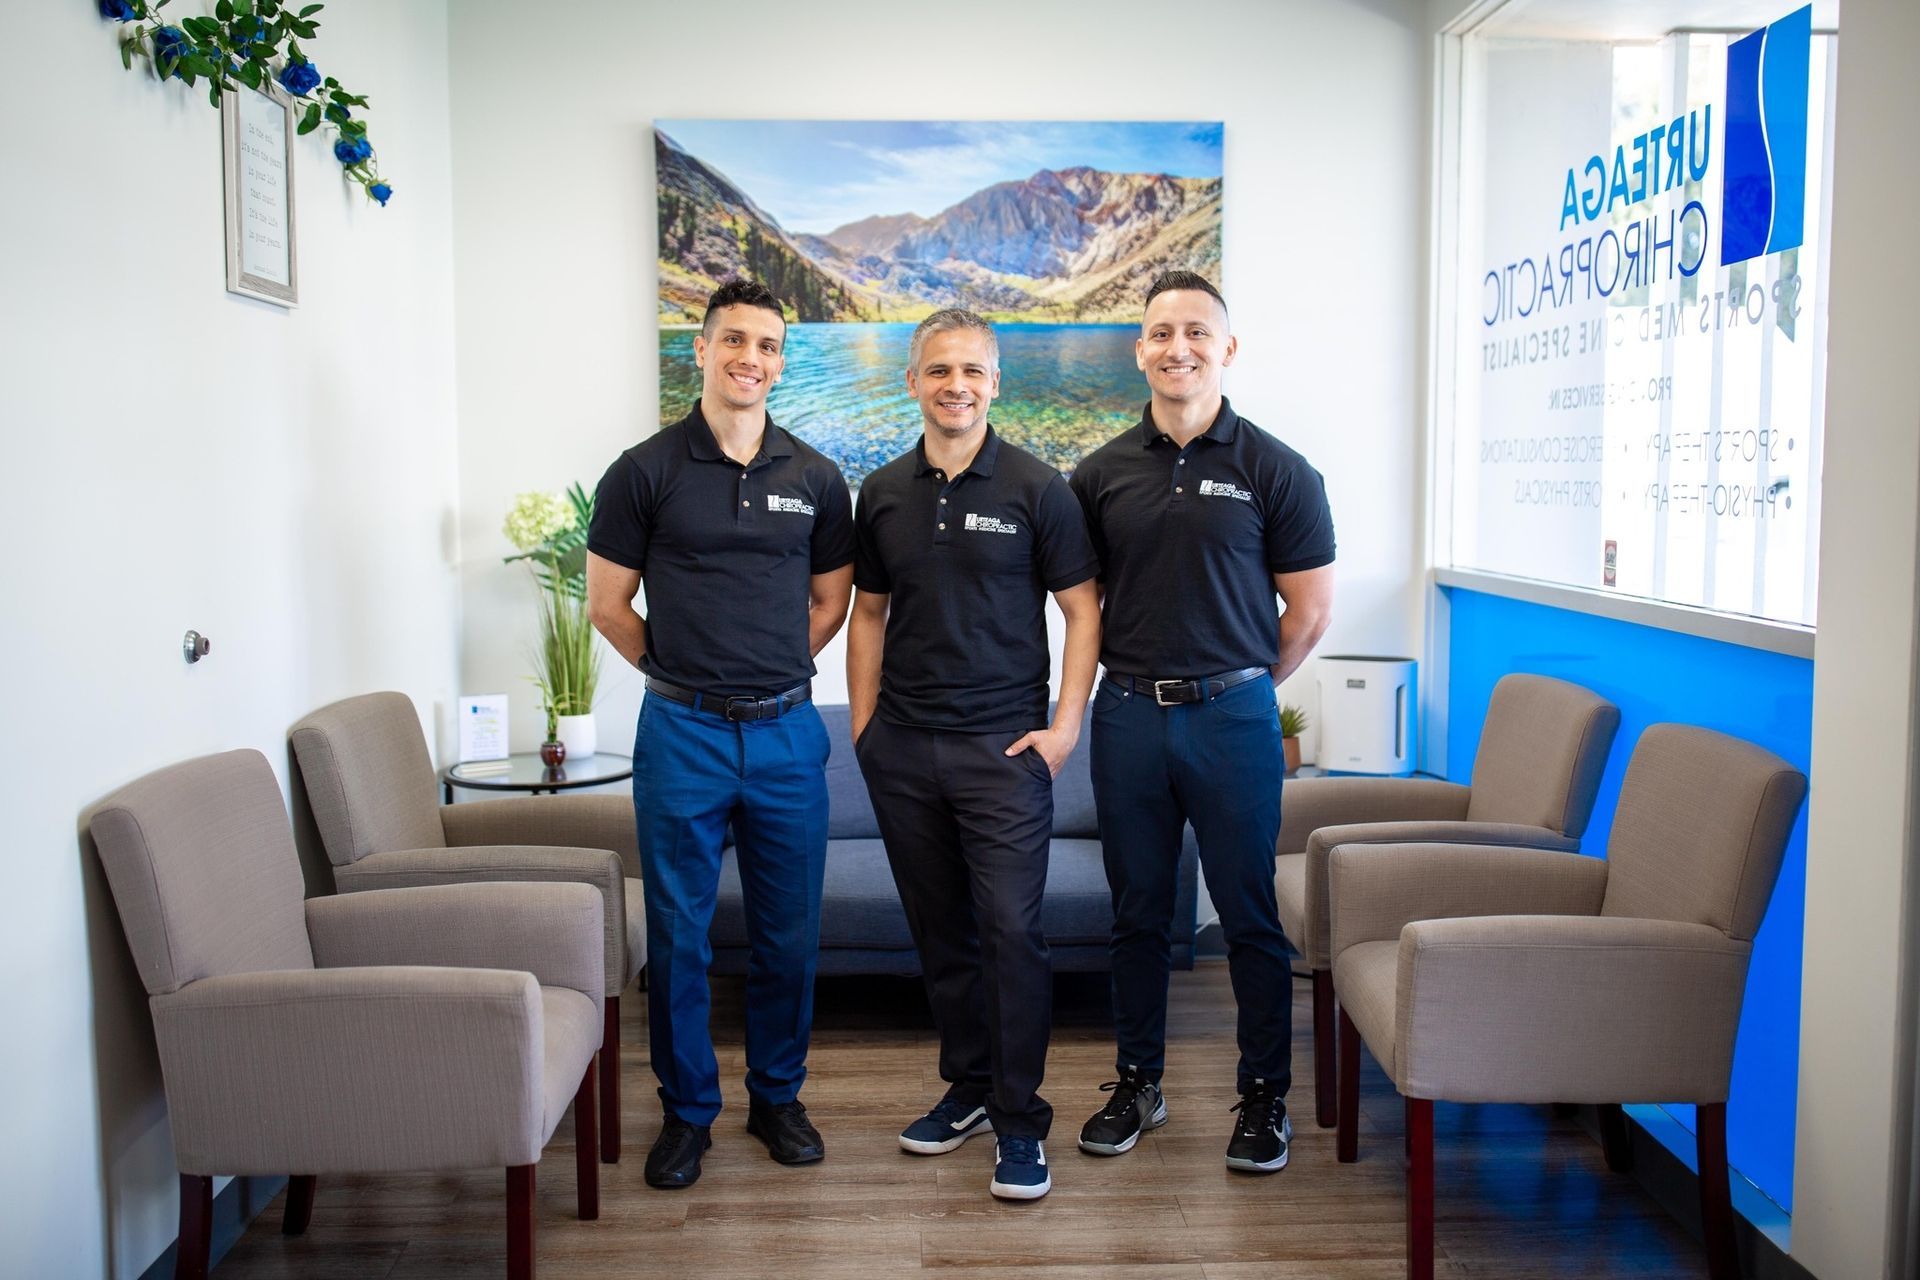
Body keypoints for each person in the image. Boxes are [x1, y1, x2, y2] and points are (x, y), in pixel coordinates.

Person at [586, 277, 855, 1190]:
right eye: (734, 340)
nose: (752, 358)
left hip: (787, 735)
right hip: (682, 735)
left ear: (783, 361)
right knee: (681, 932)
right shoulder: (644, 470)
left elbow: (830, 603)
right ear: (698, 350)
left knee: (788, 935)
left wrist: (770, 664)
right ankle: (686, 1113)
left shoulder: (817, 476)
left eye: (769, 345)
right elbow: (608, 604)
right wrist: (686, 672)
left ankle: (778, 1097)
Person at [1068, 270, 1335, 1175]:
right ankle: (1138, 1081)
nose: (1176, 347)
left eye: (1195, 331)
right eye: (1158, 333)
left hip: (1232, 721)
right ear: (1138, 349)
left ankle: (1264, 1100)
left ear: (1227, 347)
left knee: (1250, 915)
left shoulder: (1278, 470)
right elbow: (1085, 610)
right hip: (1130, 720)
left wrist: (1242, 688)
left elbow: (1305, 616)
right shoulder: (1098, 474)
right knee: (1137, 914)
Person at [847, 309, 1101, 1200]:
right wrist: (866, 730)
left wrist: (1065, 727)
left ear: (997, 384)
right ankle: (970, 1089)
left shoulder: (1040, 489)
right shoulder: (878, 492)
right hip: (904, 751)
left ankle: (1021, 1119)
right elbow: (867, 614)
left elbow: (1081, 610)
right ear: (912, 381)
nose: (955, 384)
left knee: (1010, 932)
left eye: (972, 371)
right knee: (942, 933)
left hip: (1004, 752)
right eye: (938, 369)